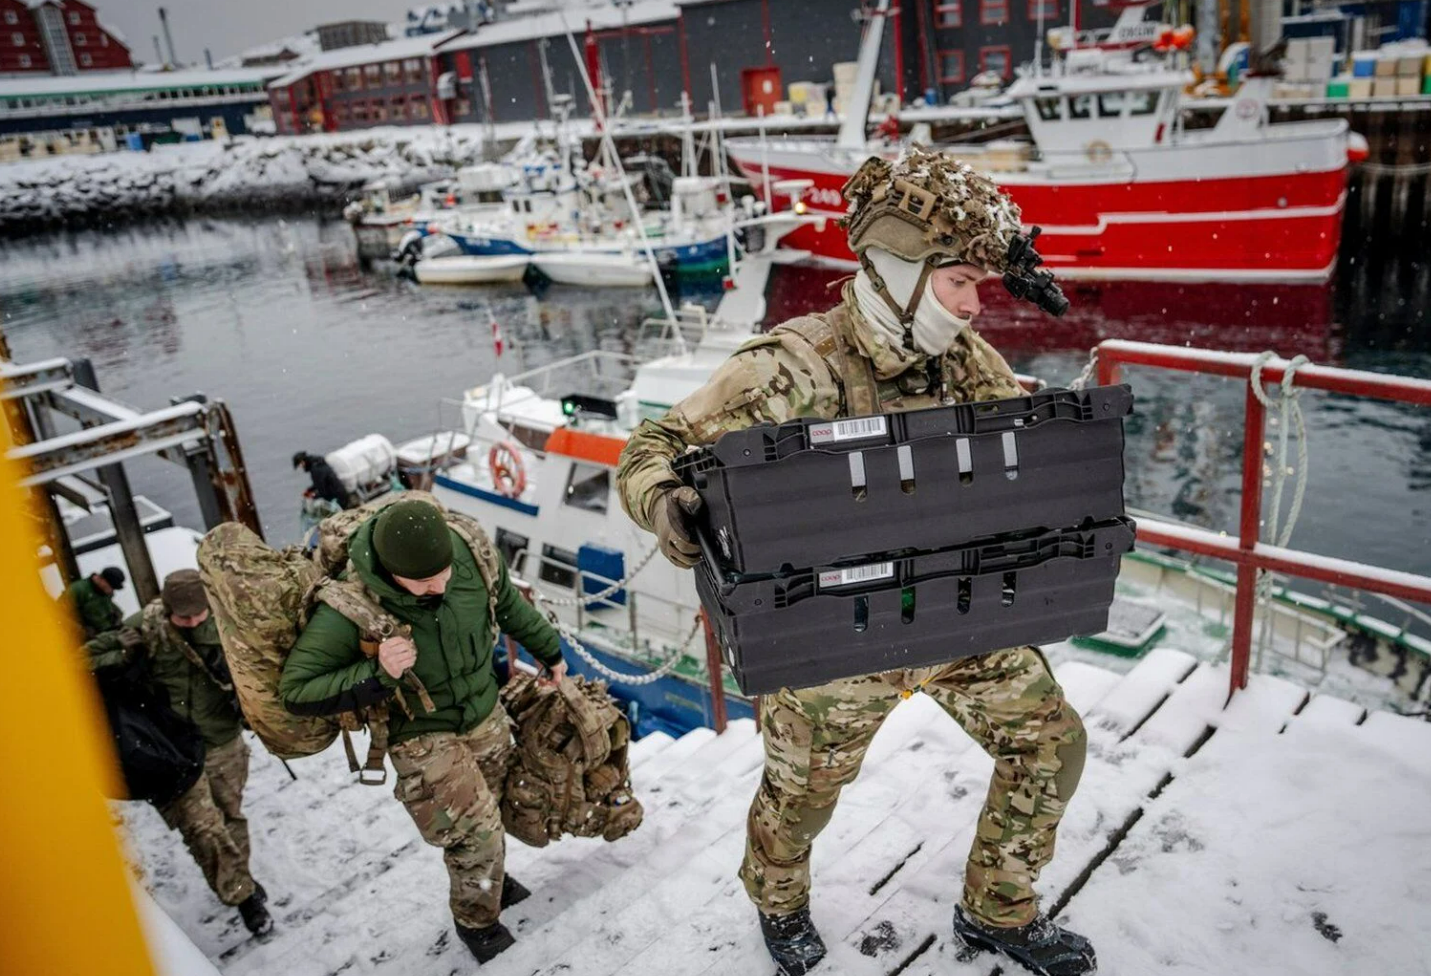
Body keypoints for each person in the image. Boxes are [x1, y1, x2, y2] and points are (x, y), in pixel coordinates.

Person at [616, 147, 1094, 976]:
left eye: (978, 287)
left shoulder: (962, 360)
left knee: (1051, 743)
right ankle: (779, 902)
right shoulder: (791, 366)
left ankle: (997, 909)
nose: (975, 308)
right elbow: (651, 446)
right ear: (897, 272)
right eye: (958, 285)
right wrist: (665, 500)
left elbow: (1014, 437)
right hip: (834, 634)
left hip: (955, 613)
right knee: (799, 800)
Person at [278, 499, 568, 963]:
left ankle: (488, 877)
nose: (441, 585)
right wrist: (377, 672)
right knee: (476, 833)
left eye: (444, 572)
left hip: (482, 710)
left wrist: (549, 652)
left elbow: (509, 606)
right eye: (424, 582)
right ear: (392, 574)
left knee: (494, 805)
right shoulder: (350, 605)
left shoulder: (470, 553)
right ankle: (478, 923)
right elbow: (297, 689)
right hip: (419, 730)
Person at [119, 570, 273, 936]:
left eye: (197, 614)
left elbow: (266, 663)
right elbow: (89, 659)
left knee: (229, 815)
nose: (191, 622)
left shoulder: (228, 620)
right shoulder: (144, 627)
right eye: (182, 616)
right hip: (174, 751)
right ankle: (242, 896)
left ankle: (241, 876)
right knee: (202, 828)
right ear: (166, 605)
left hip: (222, 740)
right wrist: (122, 658)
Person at [67, 566, 126, 640]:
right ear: (102, 579)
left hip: (107, 634)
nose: (111, 591)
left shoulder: (104, 593)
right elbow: (57, 615)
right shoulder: (77, 590)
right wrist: (82, 632)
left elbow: (111, 611)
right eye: (111, 586)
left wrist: (117, 620)